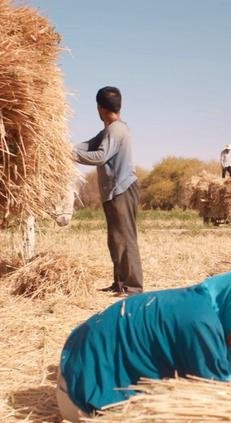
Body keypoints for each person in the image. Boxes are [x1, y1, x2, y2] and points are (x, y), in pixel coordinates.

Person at [56, 268, 231, 421]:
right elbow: (225, 404)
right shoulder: (200, 323)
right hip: (83, 392)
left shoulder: (214, 307)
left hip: (77, 365)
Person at [73, 87, 143, 295]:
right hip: (113, 190)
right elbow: (86, 146)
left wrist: (69, 155)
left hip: (122, 189)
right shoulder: (109, 131)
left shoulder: (116, 130)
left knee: (126, 237)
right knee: (115, 238)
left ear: (100, 108)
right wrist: (61, 147)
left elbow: (99, 156)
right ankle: (120, 283)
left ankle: (133, 287)